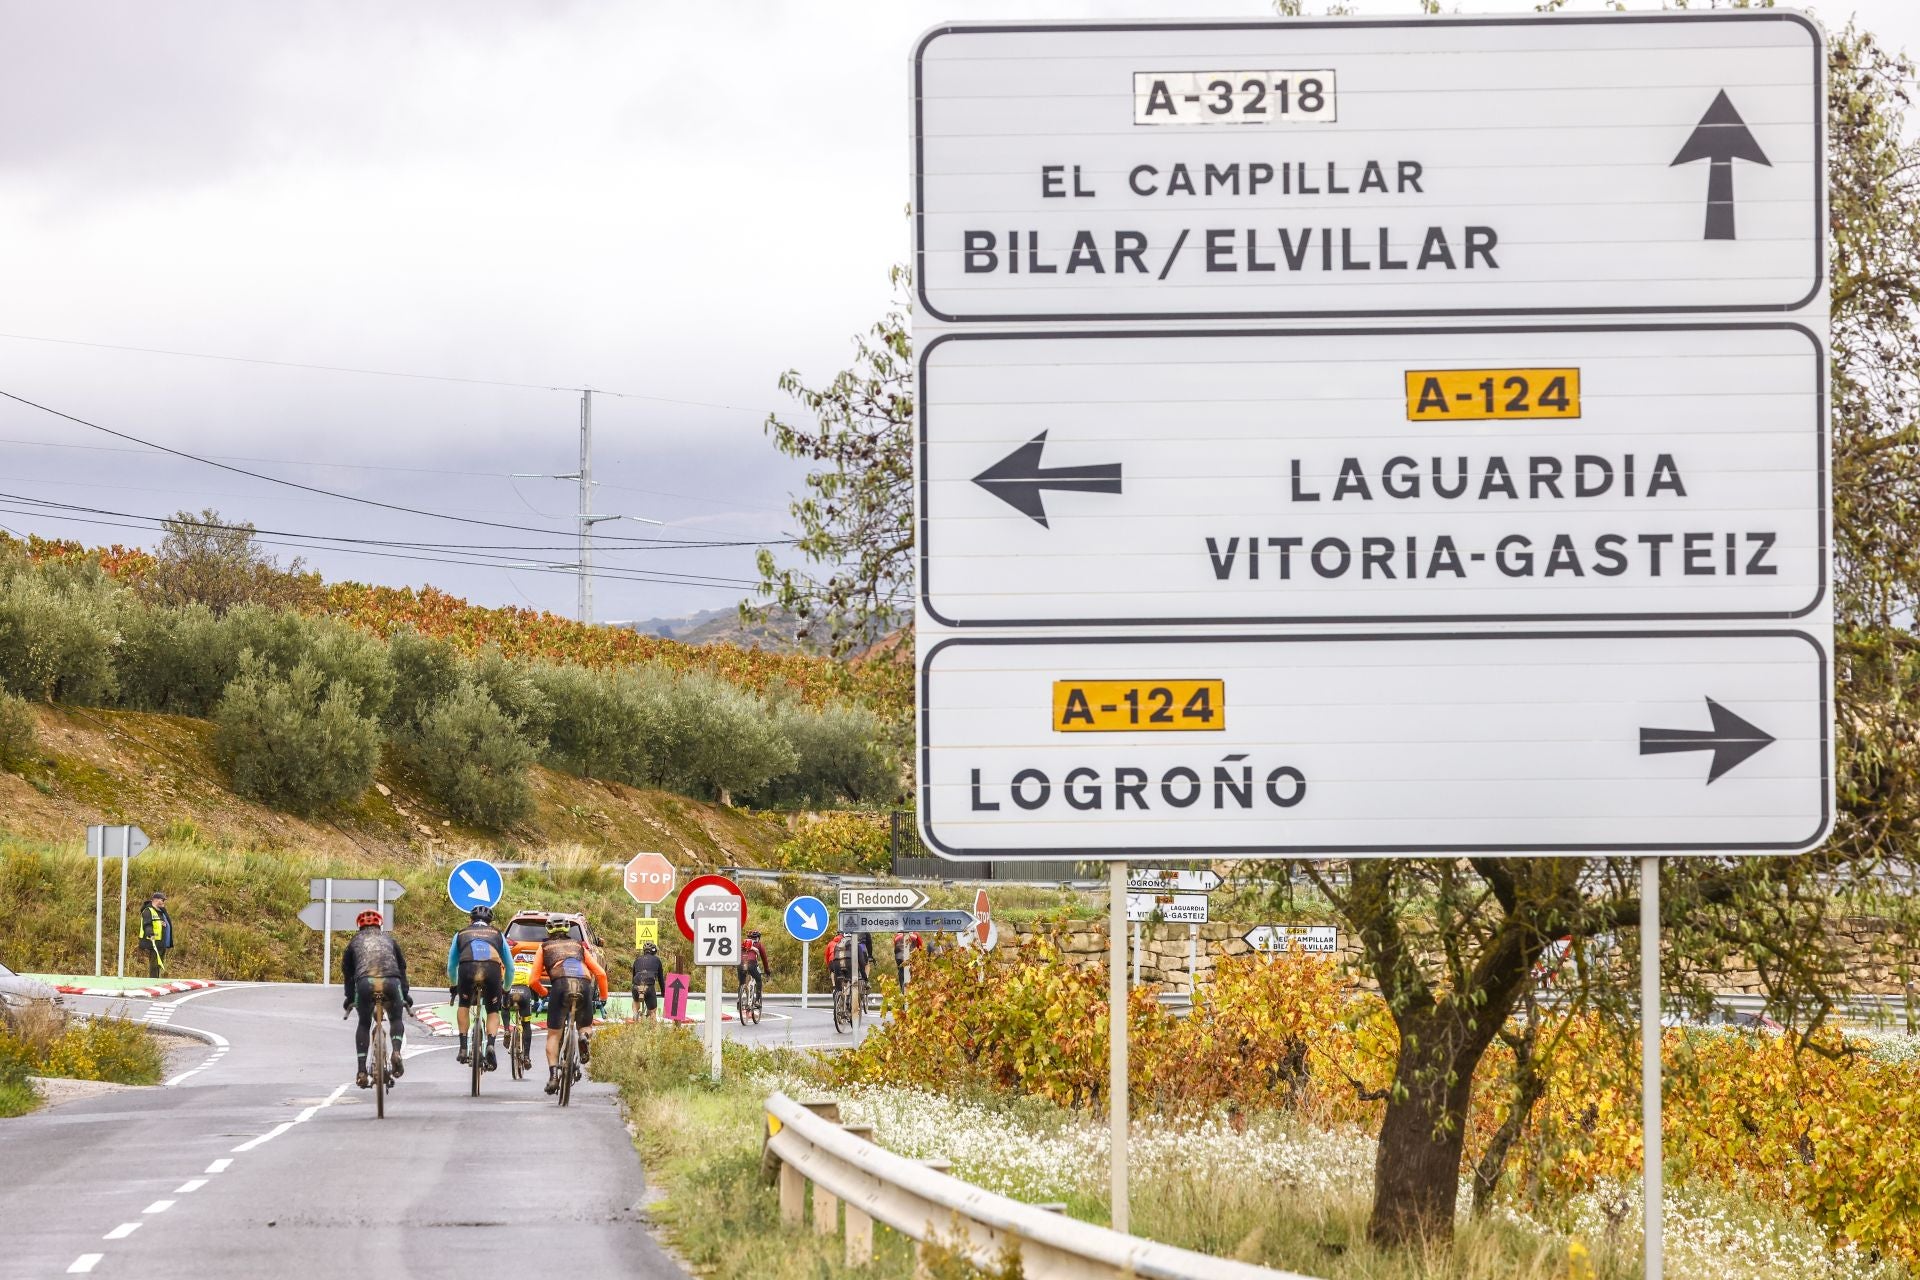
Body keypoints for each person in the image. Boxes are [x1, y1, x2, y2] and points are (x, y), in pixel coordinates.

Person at [527, 919, 609, 1095]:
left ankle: (553, 1076)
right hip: (584, 986)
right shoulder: (579, 946)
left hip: (560, 986)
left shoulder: (545, 947)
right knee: (586, 1026)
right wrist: (603, 998)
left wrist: (544, 994)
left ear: (548, 931)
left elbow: (533, 980)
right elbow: (600, 973)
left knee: (554, 1035)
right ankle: (583, 1037)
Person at [341, 910, 411, 1090]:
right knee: (396, 1018)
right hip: (391, 980)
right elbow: (402, 968)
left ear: (359, 926)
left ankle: (361, 1071)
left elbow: (348, 974)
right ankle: (396, 1051)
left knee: (364, 1024)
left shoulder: (354, 942)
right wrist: (405, 994)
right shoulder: (389, 940)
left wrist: (349, 997)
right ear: (380, 925)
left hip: (365, 982)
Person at [446, 905, 513, 1071]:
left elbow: (451, 965)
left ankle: (463, 1047)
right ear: (490, 922)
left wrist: (455, 985)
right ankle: (490, 1044)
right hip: (492, 970)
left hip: (467, 968)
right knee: (492, 1011)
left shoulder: (461, 933)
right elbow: (510, 967)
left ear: (471, 920)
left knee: (464, 1005)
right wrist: (505, 988)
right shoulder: (497, 934)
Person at [137, 891, 174, 979]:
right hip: (154, 942)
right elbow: (147, 924)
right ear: (156, 900)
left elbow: (157, 922)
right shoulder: (148, 911)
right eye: (163, 900)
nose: (164, 902)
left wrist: (163, 923)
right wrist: (151, 934)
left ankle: (156, 979)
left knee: (159, 964)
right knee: (154, 964)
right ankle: (153, 981)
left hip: (162, 942)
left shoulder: (161, 911)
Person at [630, 941, 665, 1021]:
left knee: (635, 1002)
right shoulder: (657, 960)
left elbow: (633, 977)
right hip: (649, 986)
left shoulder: (637, 960)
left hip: (636, 985)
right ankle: (651, 1026)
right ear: (654, 951)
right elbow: (660, 979)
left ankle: (635, 1012)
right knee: (653, 1011)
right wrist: (663, 992)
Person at [737, 928, 769, 1010]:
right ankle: (757, 1001)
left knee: (742, 982)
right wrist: (767, 971)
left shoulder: (743, 944)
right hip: (751, 964)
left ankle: (739, 1001)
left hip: (740, 963)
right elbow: (764, 959)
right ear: (758, 937)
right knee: (758, 980)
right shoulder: (759, 944)